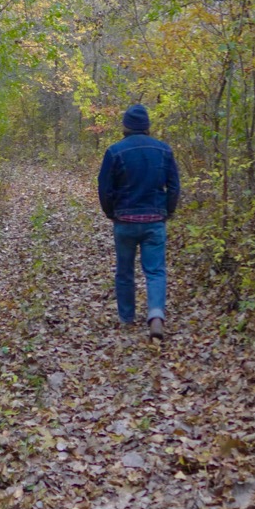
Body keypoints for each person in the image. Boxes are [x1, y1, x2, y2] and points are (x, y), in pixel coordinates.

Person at [97, 104, 180, 340]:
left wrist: (111, 212)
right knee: (155, 271)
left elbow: (104, 188)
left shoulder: (114, 151)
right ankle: (156, 316)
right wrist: (167, 211)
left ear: (126, 126)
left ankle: (127, 318)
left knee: (124, 271)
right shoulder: (164, 150)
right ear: (147, 126)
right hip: (155, 220)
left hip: (124, 221)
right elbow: (174, 186)